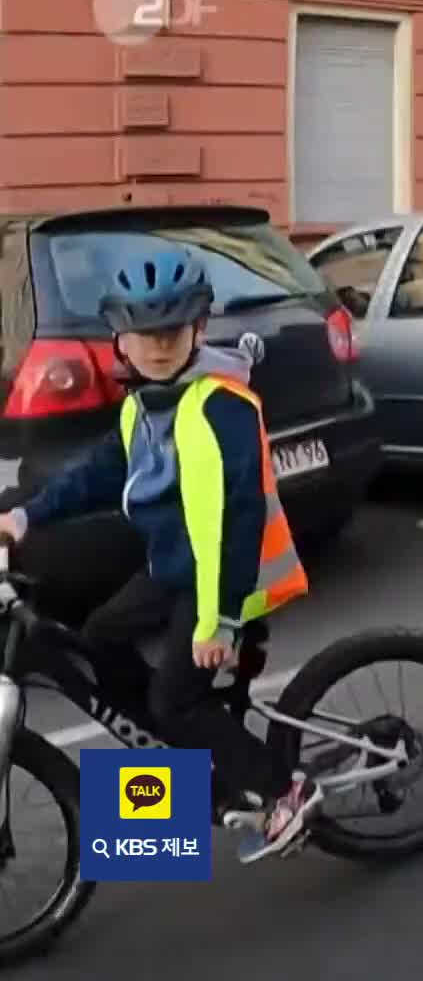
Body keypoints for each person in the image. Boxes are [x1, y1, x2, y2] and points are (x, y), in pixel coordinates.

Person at [0, 246, 317, 862]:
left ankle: (285, 792)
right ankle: (180, 743)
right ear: (120, 339)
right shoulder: (147, 403)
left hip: (225, 580)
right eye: (143, 332)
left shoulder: (220, 407)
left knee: (179, 695)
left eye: (172, 330)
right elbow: (99, 471)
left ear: (199, 327)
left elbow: (239, 519)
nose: (158, 344)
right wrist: (23, 515)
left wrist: (221, 622)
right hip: (174, 566)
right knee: (98, 636)